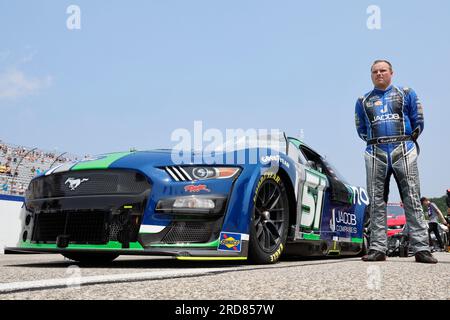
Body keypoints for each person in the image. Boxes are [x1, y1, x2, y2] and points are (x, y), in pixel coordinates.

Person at [354, 59, 437, 263]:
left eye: (383, 70)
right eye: (375, 71)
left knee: (412, 198)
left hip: (403, 148)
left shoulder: (406, 93)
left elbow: (418, 121)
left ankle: (421, 248)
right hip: (375, 151)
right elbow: (361, 129)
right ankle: (377, 248)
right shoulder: (363, 100)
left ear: (391, 73)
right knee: (376, 202)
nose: (379, 74)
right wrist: (377, 143)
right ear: (371, 75)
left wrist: (406, 142)